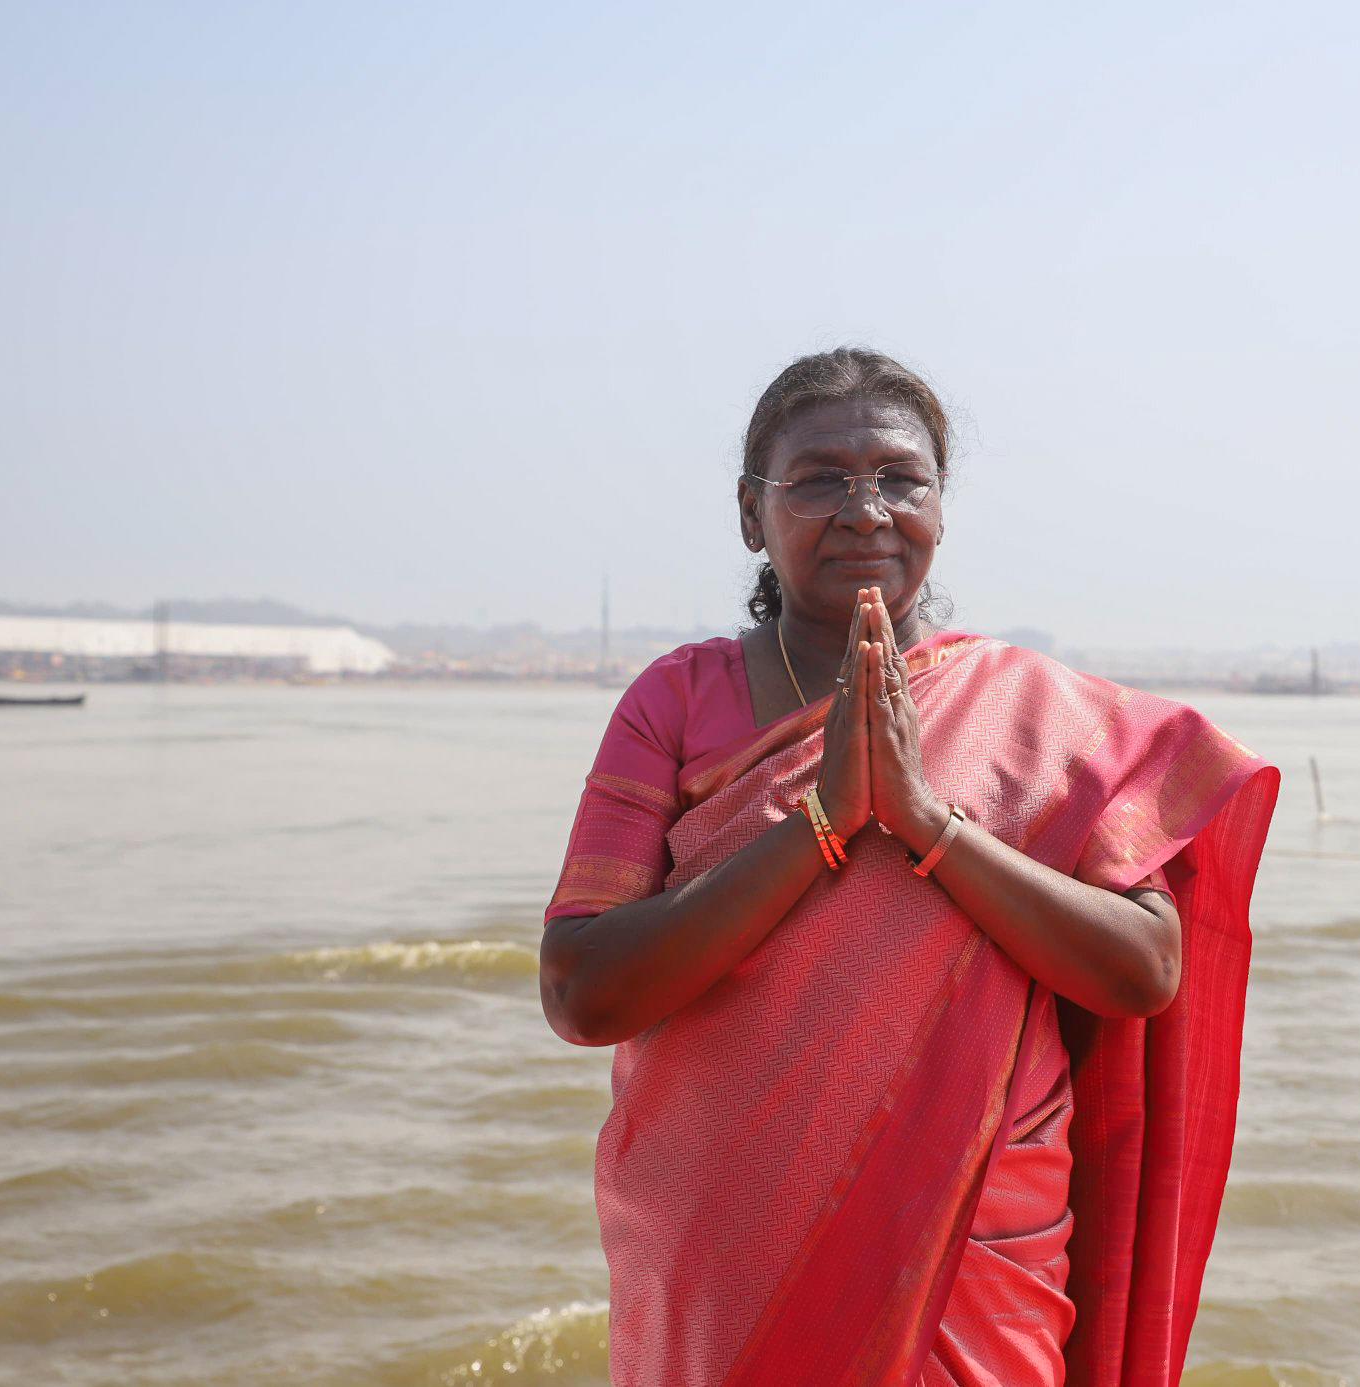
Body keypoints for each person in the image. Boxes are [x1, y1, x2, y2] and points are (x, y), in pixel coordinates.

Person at [539, 347, 1278, 1387]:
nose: (865, 511)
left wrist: (928, 822)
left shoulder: (1035, 712)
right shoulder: (677, 703)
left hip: (973, 1252)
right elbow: (581, 990)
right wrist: (824, 819)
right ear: (751, 514)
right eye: (819, 481)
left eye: (899, 478)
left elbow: (1145, 969)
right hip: (727, 1247)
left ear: (940, 504)